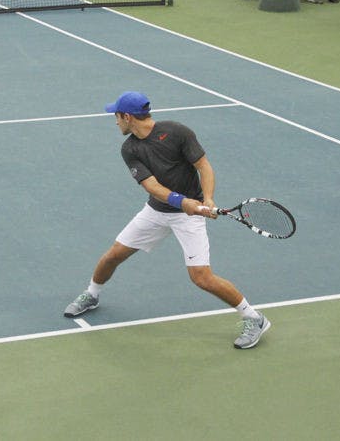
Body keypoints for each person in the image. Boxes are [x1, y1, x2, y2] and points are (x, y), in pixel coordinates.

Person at [63, 91, 271, 349]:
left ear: (127, 117)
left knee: (201, 277)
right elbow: (152, 186)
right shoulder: (130, 148)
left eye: (116, 116)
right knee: (114, 254)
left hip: (189, 219)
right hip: (156, 212)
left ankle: (254, 317)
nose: (115, 122)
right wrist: (183, 202)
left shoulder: (177, 132)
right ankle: (92, 294)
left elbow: (203, 166)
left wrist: (208, 199)